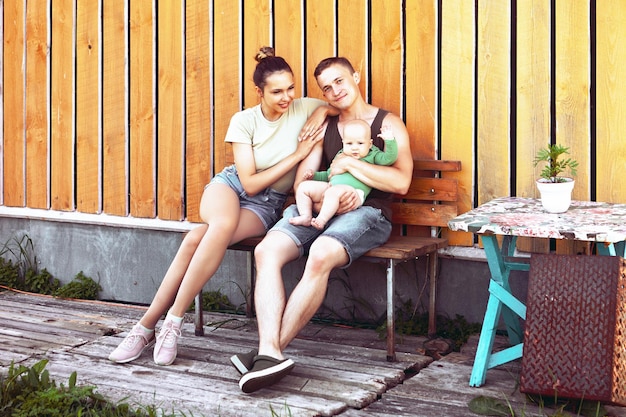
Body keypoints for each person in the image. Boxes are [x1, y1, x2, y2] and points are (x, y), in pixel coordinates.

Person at [108, 47, 336, 366]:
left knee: (193, 240)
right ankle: (172, 322)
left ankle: (148, 326)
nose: (287, 97)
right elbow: (251, 182)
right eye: (277, 91)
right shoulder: (244, 121)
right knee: (222, 224)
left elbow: (338, 104)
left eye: (291, 88)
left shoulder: (305, 108)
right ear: (259, 92)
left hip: (266, 205)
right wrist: (297, 155)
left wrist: (322, 111)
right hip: (230, 187)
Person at [232, 57, 413, 393]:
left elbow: (400, 182)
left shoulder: (387, 124)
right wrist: (319, 195)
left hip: (368, 211)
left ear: (355, 77)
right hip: (321, 204)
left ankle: (265, 355)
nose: (335, 91)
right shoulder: (326, 126)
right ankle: (269, 354)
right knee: (266, 250)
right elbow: (307, 173)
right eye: (326, 88)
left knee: (319, 254)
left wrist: (350, 166)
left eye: (340, 81)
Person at [289, 119, 398, 229]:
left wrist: (389, 140)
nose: (354, 147)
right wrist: (314, 176)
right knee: (303, 187)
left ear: (370, 144)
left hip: (354, 193)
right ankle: (306, 216)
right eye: (349, 143)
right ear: (343, 143)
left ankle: (321, 220)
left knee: (333, 192)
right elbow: (329, 175)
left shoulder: (373, 154)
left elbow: (388, 159)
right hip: (332, 188)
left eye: (360, 143)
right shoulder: (341, 155)